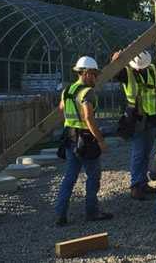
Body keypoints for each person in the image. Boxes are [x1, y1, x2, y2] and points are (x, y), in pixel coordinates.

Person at [55, 56, 113, 226]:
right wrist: (100, 140)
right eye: (94, 74)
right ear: (86, 73)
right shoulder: (87, 93)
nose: (96, 78)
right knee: (93, 176)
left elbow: (61, 108)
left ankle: (60, 214)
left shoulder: (67, 91)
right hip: (86, 140)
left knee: (69, 178)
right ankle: (92, 212)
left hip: (70, 138)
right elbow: (88, 117)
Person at [111, 50, 156, 200]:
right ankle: (136, 185)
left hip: (151, 117)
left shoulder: (151, 69)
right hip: (136, 118)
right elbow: (114, 72)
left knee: (146, 152)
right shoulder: (127, 72)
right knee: (138, 152)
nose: (140, 69)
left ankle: (142, 183)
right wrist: (115, 61)